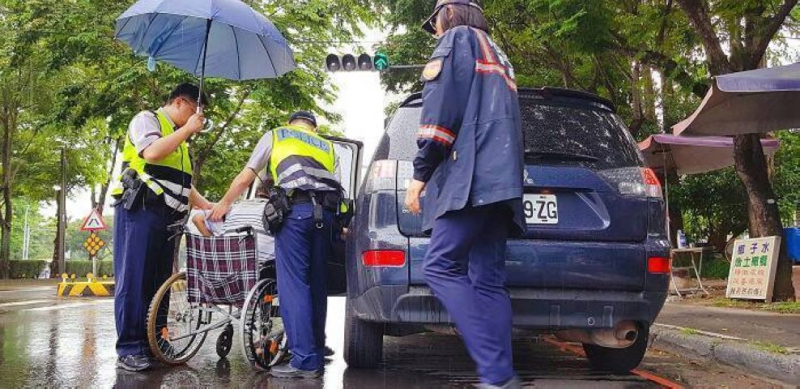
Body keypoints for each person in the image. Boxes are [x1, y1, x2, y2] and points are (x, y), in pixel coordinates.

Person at [404, 1, 525, 388]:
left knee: (440, 267)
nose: (435, 30)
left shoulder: (457, 39)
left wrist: (420, 173)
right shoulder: (498, 52)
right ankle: (499, 375)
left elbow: (442, 109)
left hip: (472, 178)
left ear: (450, 13)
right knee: (489, 281)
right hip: (502, 182)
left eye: (435, 22)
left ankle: (494, 370)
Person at [210, 111, 342, 379]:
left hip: (295, 213)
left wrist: (223, 203)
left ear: (291, 124)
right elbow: (339, 189)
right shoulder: (328, 146)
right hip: (325, 217)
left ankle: (304, 361)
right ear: (313, 127)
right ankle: (315, 351)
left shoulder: (277, 134)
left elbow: (247, 176)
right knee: (317, 285)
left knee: (293, 286)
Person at [111, 83, 213, 372]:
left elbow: (182, 182)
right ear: (180, 102)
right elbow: (151, 153)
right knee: (135, 278)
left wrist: (208, 206)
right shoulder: (148, 120)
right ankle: (130, 348)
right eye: (195, 111)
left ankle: (154, 342)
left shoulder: (179, 141)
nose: (198, 119)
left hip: (169, 215)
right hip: (141, 209)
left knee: (159, 282)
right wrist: (187, 130)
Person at [190, 185, 275, 262]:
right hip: (260, 271)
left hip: (227, 270)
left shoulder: (232, 209)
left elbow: (197, 219)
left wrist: (214, 246)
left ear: (256, 194)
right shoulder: (276, 214)